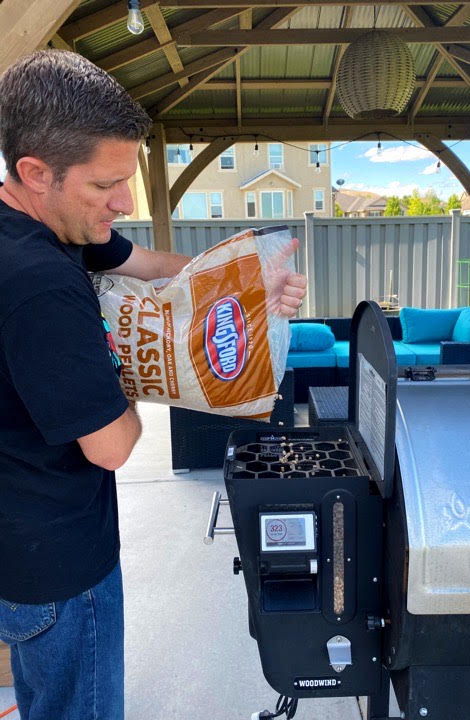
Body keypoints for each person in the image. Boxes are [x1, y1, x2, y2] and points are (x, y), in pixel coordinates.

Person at [0, 50, 306, 720]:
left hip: (21, 551)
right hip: (60, 569)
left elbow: (154, 266)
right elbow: (111, 446)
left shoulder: (54, 228)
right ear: (34, 171)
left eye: (129, 178)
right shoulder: (39, 281)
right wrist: (128, 370)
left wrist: (257, 287)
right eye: (106, 184)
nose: (126, 201)